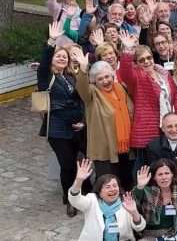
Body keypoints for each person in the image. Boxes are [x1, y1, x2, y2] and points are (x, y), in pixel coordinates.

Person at [39, 22, 89, 217]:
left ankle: (81, 193)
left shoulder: (70, 77)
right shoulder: (47, 77)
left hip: (76, 129)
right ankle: (70, 199)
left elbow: (81, 100)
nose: (61, 58)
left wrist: (83, 121)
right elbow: (44, 64)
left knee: (79, 163)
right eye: (58, 56)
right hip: (58, 130)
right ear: (52, 59)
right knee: (67, 165)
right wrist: (52, 41)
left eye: (64, 57)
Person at [118, 31, 177, 167]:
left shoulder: (164, 74)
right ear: (136, 63)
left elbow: (176, 98)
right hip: (149, 129)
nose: (147, 62)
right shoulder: (137, 77)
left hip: (169, 128)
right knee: (150, 169)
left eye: (149, 58)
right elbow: (125, 73)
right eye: (141, 60)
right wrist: (127, 50)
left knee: (169, 167)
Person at [72, 49, 134, 189]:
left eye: (107, 77)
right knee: (107, 183)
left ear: (112, 76)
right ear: (94, 80)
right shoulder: (92, 94)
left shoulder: (120, 88)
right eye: (100, 79)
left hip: (126, 146)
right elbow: (82, 87)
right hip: (105, 148)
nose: (105, 81)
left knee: (127, 181)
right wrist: (83, 69)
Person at [69, 159, 146, 240]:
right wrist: (78, 181)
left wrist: (134, 212)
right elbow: (75, 200)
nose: (112, 189)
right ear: (99, 191)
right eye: (108, 187)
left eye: (115, 186)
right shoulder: (92, 200)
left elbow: (140, 228)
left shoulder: (126, 202)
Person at [133, 159, 177, 240]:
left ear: (172, 175)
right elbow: (134, 199)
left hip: (174, 232)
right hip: (151, 234)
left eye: (167, 173)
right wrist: (140, 186)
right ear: (154, 177)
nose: (164, 177)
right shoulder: (147, 190)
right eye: (160, 174)